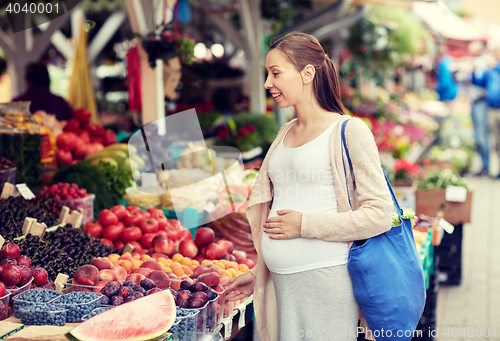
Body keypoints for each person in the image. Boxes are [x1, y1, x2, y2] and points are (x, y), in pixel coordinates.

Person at [224, 32, 393, 341]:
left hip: (325, 283)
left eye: (275, 73)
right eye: (267, 74)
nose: (267, 83)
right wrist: (258, 272)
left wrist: (306, 225)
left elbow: (381, 214)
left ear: (307, 73)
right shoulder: (284, 132)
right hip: (279, 286)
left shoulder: (349, 131)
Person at [473, 49, 500, 179]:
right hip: (492, 108)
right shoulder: (491, 70)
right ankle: (491, 168)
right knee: (496, 141)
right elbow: (479, 82)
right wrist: (477, 70)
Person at [468, 42, 490, 176]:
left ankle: (486, 166)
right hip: (475, 102)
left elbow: (482, 81)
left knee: (482, 136)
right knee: (479, 135)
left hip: (481, 102)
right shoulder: (477, 63)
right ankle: (484, 165)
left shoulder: (484, 64)